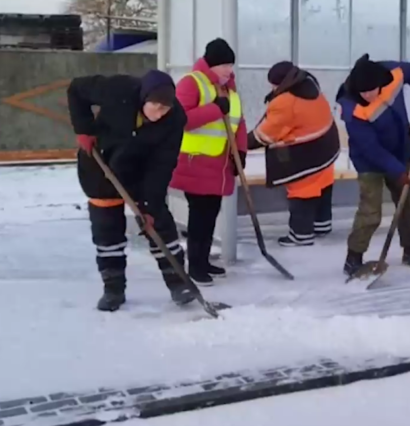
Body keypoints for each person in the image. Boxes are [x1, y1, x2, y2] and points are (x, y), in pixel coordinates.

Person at [67, 69, 192, 312]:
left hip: (140, 172)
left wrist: (149, 205)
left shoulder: (175, 120)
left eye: (165, 108)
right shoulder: (118, 89)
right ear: (143, 99)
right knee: (107, 230)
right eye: (155, 106)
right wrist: (84, 129)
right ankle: (113, 289)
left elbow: (162, 165)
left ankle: (179, 284)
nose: (159, 114)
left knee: (159, 224)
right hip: (101, 165)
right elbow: (76, 88)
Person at [336, 54, 410, 276]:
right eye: (362, 92)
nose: (366, 95)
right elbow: (371, 148)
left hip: (401, 151)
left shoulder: (394, 74)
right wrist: (397, 170)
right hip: (369, 162)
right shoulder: (351, 109)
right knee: (371, 211)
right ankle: (353, 257)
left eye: (370, 90)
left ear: (380, 82)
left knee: (406, 202)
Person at [171, 38, 248, 286]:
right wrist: (215, 108)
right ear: (210, 65)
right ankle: (195, 266)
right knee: (200, 217)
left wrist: (242, 152)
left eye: (230, 65)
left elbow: (239, 123)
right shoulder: (191, 83)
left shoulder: (230, 90)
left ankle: (203, 261)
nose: (228, 70)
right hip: (196, 164)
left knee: (210, 214)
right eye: (224, 65)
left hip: (220, 165)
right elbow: (181, 119)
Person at [247, 61, 340, 247]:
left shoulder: (286, 102)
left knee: (302, 190)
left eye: (273, 84)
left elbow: (266, 134)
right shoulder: (309, 84)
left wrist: (240, 142)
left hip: (306, 154)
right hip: (326, 147)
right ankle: (321, 225)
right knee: (322, 185)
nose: (272, 88)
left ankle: (301, 234)